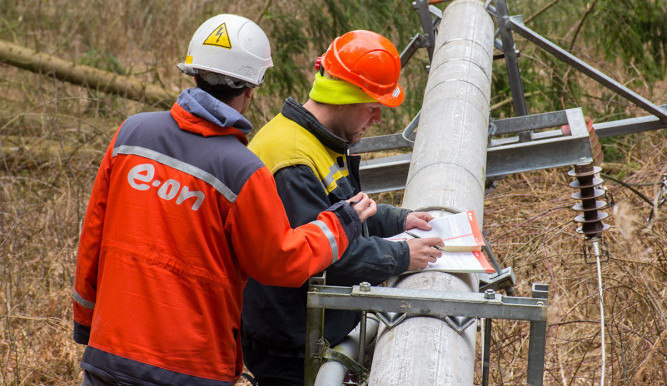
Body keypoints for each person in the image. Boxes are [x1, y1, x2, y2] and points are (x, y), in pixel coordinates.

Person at [72, 15, 377, 386]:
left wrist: (86, 324)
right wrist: (339, 224)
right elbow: (279, 261)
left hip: (110, 355)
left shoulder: (131, 134)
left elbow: (92, 239)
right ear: (251, 88)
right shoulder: (241, 169)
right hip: (190, 367)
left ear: (194, 71)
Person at [241, 30, 445, 385]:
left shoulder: (316, 141)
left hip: (309, 330)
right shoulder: (293, 162)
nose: (378, 119)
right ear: (344, 99)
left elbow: (344, 217)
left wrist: (399, 219)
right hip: (291, 343)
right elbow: (323, 255)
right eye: (372, 108)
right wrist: (401, 255)